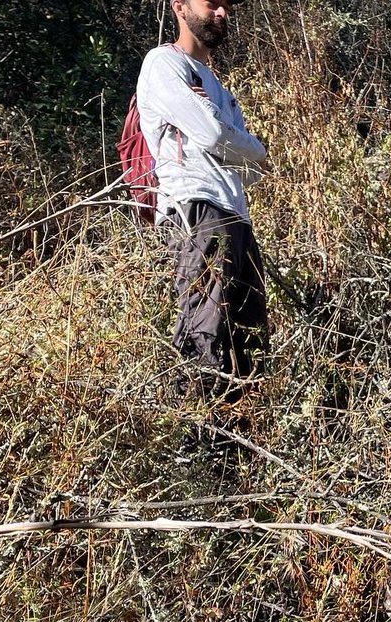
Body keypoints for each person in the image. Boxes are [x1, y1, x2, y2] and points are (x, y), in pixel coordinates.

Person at [136, 0, 269, 401]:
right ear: (179, 6)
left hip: (235, 216)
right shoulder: (163, 64)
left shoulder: (223, 92)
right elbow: (215, 136)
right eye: (212, 4)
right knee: (204, 332)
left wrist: (244, 151)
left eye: (227, 6)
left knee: (249, 342)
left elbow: (250, 172)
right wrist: (256, 147)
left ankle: (239, 451)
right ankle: (196, 448)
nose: (223, 13)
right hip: (195, 208)